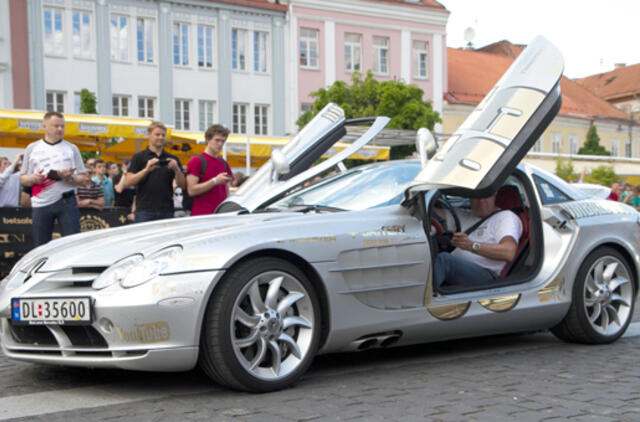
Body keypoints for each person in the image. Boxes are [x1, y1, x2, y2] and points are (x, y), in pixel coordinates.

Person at [20, 111, 87, 246]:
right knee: (41, 245)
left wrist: (70, 177)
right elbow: (23, 178)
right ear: (44, 126)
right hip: (41, 202)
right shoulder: (32, 148)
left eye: (62, 126)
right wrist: (33, 178)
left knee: (72, 243)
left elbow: (83, 178)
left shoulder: (72, 148)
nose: (60, 129)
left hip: (66, 200)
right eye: (56, 126)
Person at [433, 193, 522, 289]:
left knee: (444, 260)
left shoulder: (506, 217)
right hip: (460, 269)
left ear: (494, 196)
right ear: (469, 199)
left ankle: (422, 298)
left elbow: (508, 252)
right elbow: (430, 211)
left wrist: (470, 246)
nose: (481, 201)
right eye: (476, 196)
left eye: (485, 196)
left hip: (486, 275)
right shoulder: (465, 215)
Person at [126, 121, 185, 222]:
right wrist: (146, 170)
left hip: (166, 209)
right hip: (144, 210)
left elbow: (183, 185)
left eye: (163, 135)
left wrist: (177, 170)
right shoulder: (139, 157)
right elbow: (128, 182)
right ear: (149, 135)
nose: (161, 137)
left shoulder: (172, 158)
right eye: (157, 134)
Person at [186, 124, 233, 216]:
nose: (220, 144)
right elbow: (191, 190)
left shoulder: (223, 163)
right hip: (202, 215)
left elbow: (226, 190)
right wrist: (215, 181)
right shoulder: (197, 160)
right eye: (217, 140)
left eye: (223, 141)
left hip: (221, 214)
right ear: (208, 140)